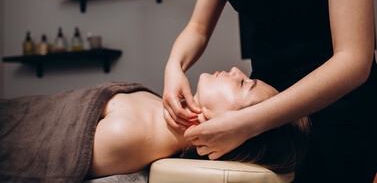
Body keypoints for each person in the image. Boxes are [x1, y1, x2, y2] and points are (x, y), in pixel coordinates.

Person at [162, 0, 377, 182]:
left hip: (337, 111)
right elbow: (198, 29)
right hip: (264, 116)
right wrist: (174, 66)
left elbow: (354, 60)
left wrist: (247, 124)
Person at [87, 67, 309, 178]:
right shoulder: (153, 110)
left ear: (230, 131)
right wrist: (174, 65)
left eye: (243, 83)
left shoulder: (126, 135)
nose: (236, 70)